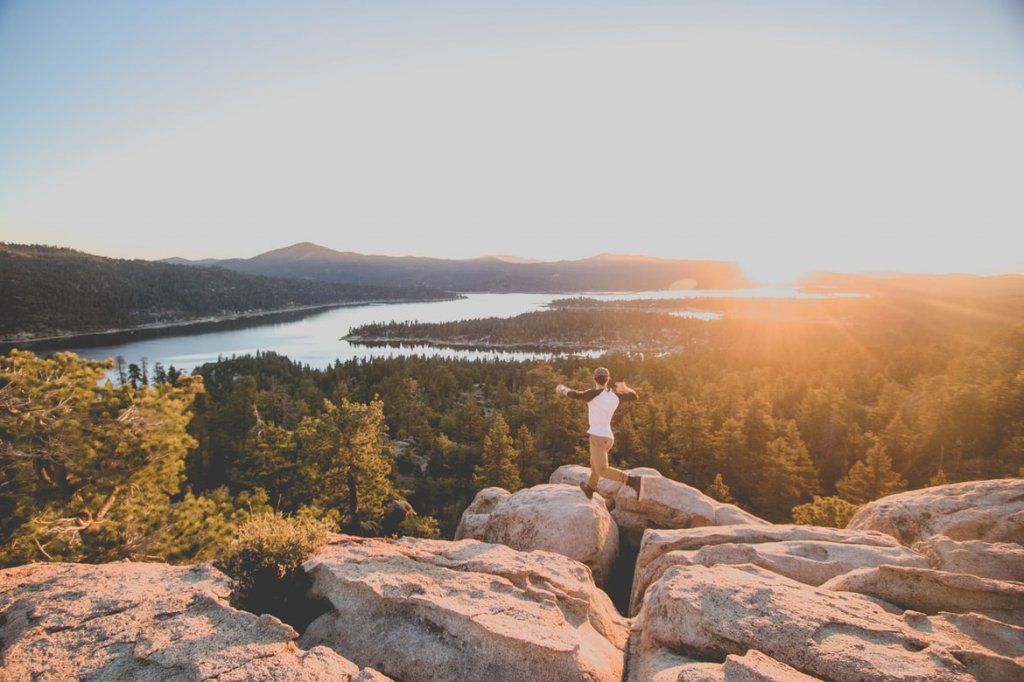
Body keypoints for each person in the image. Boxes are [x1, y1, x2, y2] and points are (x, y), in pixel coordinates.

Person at [556, 366, 643, 500]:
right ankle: (591, 487)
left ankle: (632, 481)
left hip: (597, 437)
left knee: (602, 469)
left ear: (594, 378)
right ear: (608, 379)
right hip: (608, 438)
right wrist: (624, 387)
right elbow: (634, 396)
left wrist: (561, 389)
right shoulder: (615, 396)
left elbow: (575, 394)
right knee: (594, 464)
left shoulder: (593, 394)